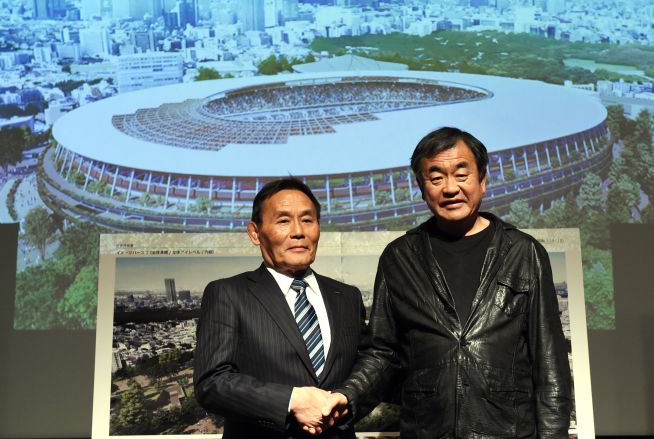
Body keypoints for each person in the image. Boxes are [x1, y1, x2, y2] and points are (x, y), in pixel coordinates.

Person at [320, 127, 572, 438]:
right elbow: (382, 353)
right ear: (421, 187)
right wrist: (346, 396)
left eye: (461, 174)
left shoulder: (524, 252)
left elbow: (550, 365)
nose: (449, 188)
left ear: (482, 180)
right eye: (436, 178)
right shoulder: (400, 257)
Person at [193, 178, 367, 439]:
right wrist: (293, 399)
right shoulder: (228, 293)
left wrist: (346, 397)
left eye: (308, 220)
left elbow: (368, 365)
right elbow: (212, 383)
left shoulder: (347, 297)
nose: (299, 231)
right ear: (255, 233)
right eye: (283, 221)